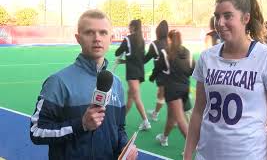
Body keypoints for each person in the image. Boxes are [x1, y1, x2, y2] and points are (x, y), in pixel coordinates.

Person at [184, 0, 267, 160]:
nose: (220, 22)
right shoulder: (206, 57)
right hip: (207, 155)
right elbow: (198, 111)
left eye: (228, 16)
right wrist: (187, 155)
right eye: (217, 16)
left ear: (245, 18)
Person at [30, 9, 138, 160]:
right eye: (89, 32)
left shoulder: (116, 83)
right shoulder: (58, 82)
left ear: (111, 38)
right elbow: (37, 131)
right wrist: (81, 125)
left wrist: (125, 148)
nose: (97, 38)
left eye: (103, 33)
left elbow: (119, 128)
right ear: (78, 38)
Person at [150, 29, 195, 147]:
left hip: (172, 90)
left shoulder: (165, 52)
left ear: (169, 39)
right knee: (172, 116)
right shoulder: (188, 53)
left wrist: (152, 77)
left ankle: (193, 148)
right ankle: (164, 138)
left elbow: (157, 68)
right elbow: (192, 70)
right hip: (185, 88)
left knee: (180, 119)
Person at [115, 19, 151, 131]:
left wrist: (122, 58)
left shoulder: (127, 39)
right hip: (140, 72)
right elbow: (138, 59)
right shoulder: (142, 40)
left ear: (133, 27)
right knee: (130, 98)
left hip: (132, 73)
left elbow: (118, 52)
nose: (128, 28)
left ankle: (146, 121)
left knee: (136, 97)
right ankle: (120, 120)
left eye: (129, 26)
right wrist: (124, 61)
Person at [144, 20, 169, 121]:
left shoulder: (154, 44)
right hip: (175, 73)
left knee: (162, 94)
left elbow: (145, 60)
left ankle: (174, 118)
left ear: (157, 32)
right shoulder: (170, 41)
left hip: (162, 74)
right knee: (168, 95)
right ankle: (156, 113)